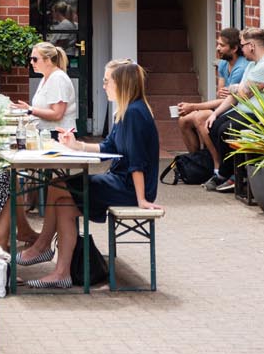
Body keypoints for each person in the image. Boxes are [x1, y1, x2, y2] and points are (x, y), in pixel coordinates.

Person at [19, 59, 162, 289]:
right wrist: (77, 146)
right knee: (64, 203)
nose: (103, 85)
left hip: (127, 188)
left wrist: (142, 200)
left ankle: (42, 247)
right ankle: (61, 272)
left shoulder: (134, 113)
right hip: (121, 182)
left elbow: (137, 162)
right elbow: (108, 148)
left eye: (107, 81)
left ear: (122, 84)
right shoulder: (126, 110)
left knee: (58, 186)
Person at [204, 27, 264, 192]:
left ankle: (231, 176)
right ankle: (228, 173)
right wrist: (215, 114)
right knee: (214, 125)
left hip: (260, 115)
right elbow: (236, 95)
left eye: (243, 44)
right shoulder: (252, 64)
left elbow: (242, 93)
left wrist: (235, 88)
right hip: (244, 111)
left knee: (226, 130)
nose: (241, 48)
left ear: (251, 46)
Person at [174, 27, 250, 183]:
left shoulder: (241, 68)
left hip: (234, 109)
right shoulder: (223, 64)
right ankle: (198, 161)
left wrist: (193, 106)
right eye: (218, 44)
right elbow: (220, 93)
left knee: (200, 117)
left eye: (222, 45)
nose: (218, 48)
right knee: (183, 120)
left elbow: (229, 99)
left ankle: (217, 166)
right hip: (222, 106)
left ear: (234, 48)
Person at [13, 42, 77, 134]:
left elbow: (57, 114)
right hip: (47, 133)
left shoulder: (58, 78)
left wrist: (30, 110)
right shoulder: (46, 77)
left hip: (58, 135)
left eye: (35, 59)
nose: (31, 62)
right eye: (31, 59)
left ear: (48, 60)